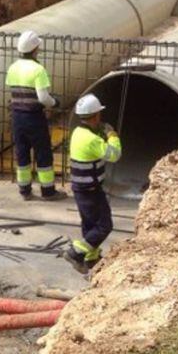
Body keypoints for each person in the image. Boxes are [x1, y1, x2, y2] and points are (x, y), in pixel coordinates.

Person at [5, 30, 67, 201]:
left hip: (17, 117)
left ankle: (24, 190)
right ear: (35, 49)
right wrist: (55, 103)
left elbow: (12, 92)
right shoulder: (38, 70)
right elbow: (43, 98)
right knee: (43, 153)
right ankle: (48, 191)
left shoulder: (13, 68)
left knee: (22, 152)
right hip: (33, 117)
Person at [63, 94, 122, 274]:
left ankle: (91, 258)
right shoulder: (92, 140)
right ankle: (76, 253)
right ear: (95, 116)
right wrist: (112, 136)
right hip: (91, 190)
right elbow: (114, 154)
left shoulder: (78, 133)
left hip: (82, 189)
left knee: (90, 225)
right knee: (104, 225)